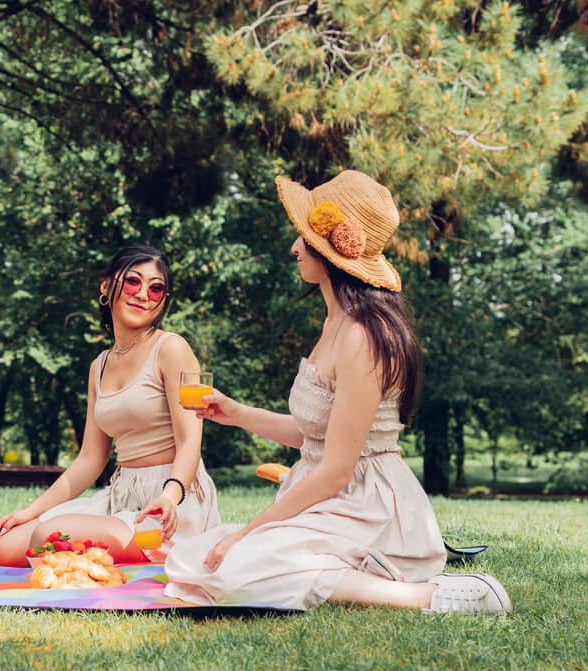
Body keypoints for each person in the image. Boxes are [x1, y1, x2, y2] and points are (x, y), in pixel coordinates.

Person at [163, 170, 510, 614]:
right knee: (194, 558)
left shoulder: (364, 336)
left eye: (304, 238)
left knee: (229, 569)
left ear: (330, 251)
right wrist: (237, 413)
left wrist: (249, 531)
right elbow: (317, 434)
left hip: (367, 509)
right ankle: (335, 567)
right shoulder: (335, 323)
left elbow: (337, 471)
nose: (295, 247)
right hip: (333, 503)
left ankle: (425, 595)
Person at [0, 244, 221, 566]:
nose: (143, 295)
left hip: (173, 503)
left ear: (163, 300)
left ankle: (153, 553)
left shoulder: (171, 349)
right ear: (107, 286)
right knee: (2, 548)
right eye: (133, 282)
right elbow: (90, 459)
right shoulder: (99, 366)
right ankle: (107, 553)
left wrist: (169, 496)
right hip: (121, 498)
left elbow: (190, 441)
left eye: (156, 289)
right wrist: (31, 510)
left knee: (47, 536)